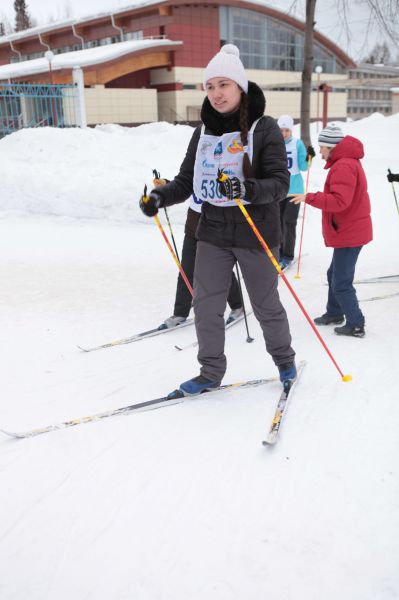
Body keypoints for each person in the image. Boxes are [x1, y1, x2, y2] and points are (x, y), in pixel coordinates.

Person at [140, 44, 296, 394]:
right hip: (212, 232)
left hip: (256, 231)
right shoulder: (204, 132)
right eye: (210, 87)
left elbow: (279, 183)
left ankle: (285, 361)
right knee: (206, 304)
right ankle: (210, 372)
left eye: (223, 85)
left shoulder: (264, 128)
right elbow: (186, 181)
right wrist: (159, 197)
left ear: (240, 87)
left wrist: (245, 188)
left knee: (265, 303)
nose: (216, 93)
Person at [290, 124, 373, 338]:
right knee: (333, 274)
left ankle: (356, 323)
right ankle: (335, 313)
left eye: (322, 147)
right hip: (350, 229)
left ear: (331, 147)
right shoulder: (345, 162)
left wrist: (309, 197)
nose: (320, 152)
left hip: (350, 231)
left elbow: (339, 201)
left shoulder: (343, 166)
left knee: (341, 282)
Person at [153, 177, 244, 330]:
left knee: (220, 270)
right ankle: (180, 313)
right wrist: (166, 186)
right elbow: (184, 185)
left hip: (217, 225)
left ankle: (237, 306)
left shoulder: (222, 163)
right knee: (186, 269)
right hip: (194, 226)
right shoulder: (196, 162)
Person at [277, 115, 315, 269]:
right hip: (279, 189)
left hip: (295, 190)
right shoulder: (274, 144)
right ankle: (278, 252)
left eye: (287, 130)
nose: (284, 133)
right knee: (278, 222)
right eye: (281, 130)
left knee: (288, 222)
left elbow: (304, 167)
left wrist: (309, 157)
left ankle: (287, 255)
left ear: (291, 131)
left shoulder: (296, 144)